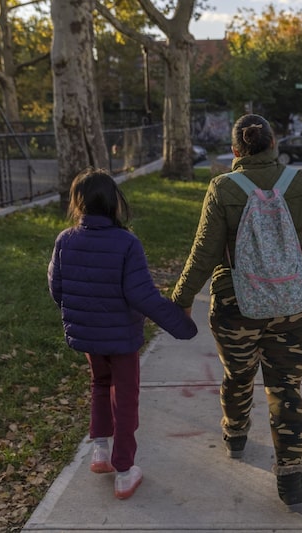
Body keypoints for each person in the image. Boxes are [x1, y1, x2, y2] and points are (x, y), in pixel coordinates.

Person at [170, 114, 302, 509]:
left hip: (236, 305)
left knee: (238, 375)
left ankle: (236, 434)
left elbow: (204, 254)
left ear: (236, 151)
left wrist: (180, 300)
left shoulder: (222, 187)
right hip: (295, 304)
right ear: (274, 144)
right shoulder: (300, 182)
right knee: (285, 387)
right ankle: (291, 477)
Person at [48, 168, 198, 500]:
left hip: (88, 337)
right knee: (126, 398)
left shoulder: (65, 239)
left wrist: (80, 310)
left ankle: (100, 451)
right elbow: (142, 295)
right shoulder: (127, 242)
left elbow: (56, 288)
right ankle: (125, 469)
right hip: (122, 339)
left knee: (100, 384)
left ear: (78, 203)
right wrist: (183, 325)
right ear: (115, 202)